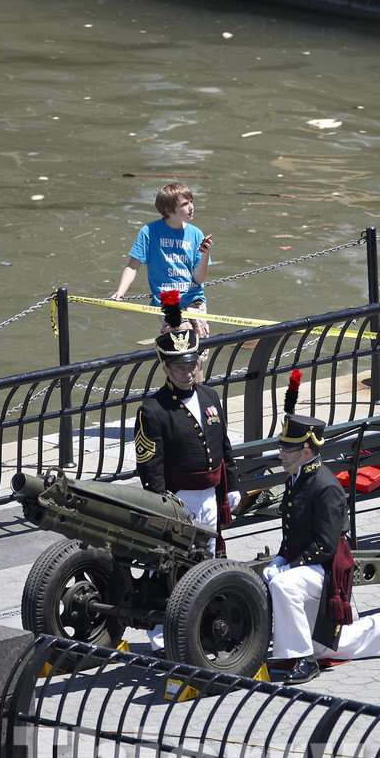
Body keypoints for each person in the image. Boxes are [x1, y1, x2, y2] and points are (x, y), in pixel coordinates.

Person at [262, 413, 380, 685]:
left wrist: (288, 567)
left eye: (286, 450)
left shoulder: (325, 485)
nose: (280, 455)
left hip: (326, 570)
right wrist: (279, 558)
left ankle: (303, 659)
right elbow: (293, 534)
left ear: (305, 451)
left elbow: (326, 545)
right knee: (326, 648)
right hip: (308, 565)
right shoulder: (294, 478)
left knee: (284, 585)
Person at [133, 298, 238, 559]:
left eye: (192, 366)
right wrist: (161, 505)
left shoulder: (210, 396)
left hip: (212, 496)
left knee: (211, 554)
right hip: (179, 499)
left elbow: (223, 446)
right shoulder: (153, 410)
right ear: (166, 368)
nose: (187, 373)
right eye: (180, 368)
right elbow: (150, 467)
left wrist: (232, 485)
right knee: (181, 558)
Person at [112, 182, 215, 337]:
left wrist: (205, 255)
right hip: (168, 299)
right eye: (184, 204)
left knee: (200, 346)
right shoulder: (149, 231)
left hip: (193, 297)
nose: (191, 207)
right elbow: (133, 266)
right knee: (182, 341)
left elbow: (199, 279)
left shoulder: (196, 233)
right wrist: (120, 292)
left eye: (191, 202)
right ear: (169, 211)